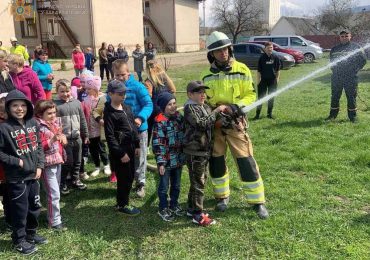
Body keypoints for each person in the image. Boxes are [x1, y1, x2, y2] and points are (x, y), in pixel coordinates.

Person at [200, 31, 268, 218]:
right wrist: (212, 113)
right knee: (216, 161)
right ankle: (221, 197)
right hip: (216, 125)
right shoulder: (205, 75)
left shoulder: (242, 69)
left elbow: (251, 95)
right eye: (218, 51)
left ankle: (257, 201)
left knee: (245, 159)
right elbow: (203, 100)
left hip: (235, 122)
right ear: (211, 54)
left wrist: (233, 108)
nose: (223, 53)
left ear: (229, 49)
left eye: (225, 49)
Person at [0, 90, 47, 255]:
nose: (19, 108)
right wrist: (17, 161)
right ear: (8, 108)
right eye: (14, 105)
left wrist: (40, 166)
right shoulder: (4, 128)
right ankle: (19, 240)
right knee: (20, 210)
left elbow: (39, 145)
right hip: (17, 177)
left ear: (28, 106)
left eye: (22, 105)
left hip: (34, 174)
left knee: (34, 206)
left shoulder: (33, 123)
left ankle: (31, 234)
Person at [183, 81, 229, 226]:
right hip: (194, 152)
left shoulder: (204, 106)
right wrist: (215, 112)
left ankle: (191, 208)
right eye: (199, 92)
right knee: (199, 183)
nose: (203, 95)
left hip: (204, 151)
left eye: (204, 92)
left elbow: (213, 119)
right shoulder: (190, 108)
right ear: (190, 94)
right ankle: (198, 215)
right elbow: (201, 124)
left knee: (197, 181)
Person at [112, 60, 153, 198]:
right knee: (124, 156)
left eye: (123, 74)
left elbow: (148, 104)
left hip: (139, 129)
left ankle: (140, 183)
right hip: (122, 131)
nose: (120, 78)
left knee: (139, 157)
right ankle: (126, 181)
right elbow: (109, 103)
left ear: (128, 72)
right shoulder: (113, 88)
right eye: (117, 75)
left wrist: (140, 118)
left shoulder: (138, 87)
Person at [104, 80, 141, 215]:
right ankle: (122, 205)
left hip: (131, 148)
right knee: (124, 178)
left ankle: (124, 200)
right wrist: (120, 154)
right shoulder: (110, 113)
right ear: (110, 94)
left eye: (124, 93)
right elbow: (110, 137)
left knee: (130, 176)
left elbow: (133, 128)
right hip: (121, 152)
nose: (123, 96)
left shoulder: (126, 108)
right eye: (119, 93)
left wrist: (137, 144)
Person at [34, 100, 67, 231]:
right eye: (49, 113)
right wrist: (53, 139)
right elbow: (39, 146)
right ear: (40, 114)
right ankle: (54, 221)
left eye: (54, 112)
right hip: (47, 163)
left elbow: (59, 138)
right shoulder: (39, 126)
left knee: (55, 191)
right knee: (53, 193)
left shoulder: (53, 123)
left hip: (57, 160)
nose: (53, 115)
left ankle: (54, 215)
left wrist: (62, 138)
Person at [152, 92, 185, 222]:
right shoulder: (160, 123)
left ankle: (174, 204)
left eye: (174, 103)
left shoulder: (179, 118)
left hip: (178, 159)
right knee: (164, 186)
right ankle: (163, 207)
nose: (173, 106)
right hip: (165, 161)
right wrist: (161, 162)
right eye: (169, 104)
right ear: (162, 107)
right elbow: (158, 143)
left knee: (176, 185)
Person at [54, 79, 88, 195]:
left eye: (67, 91)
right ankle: (62, 182)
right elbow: (54, 124)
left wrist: (86, 134)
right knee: (67, 162)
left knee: (78, 161)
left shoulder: (77, 103)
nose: (65, 94)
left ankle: (75, 179)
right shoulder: (55, 105)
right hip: (65, 140)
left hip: (77, 138)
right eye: (62, 91)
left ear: (71, 90)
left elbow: (82, 119)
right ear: (57, 92)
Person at [326, 29, 367, 123]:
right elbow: (331, 62)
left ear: (350, 36)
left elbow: (363, 60)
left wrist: (354, 70)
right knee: (335, 96)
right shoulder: (334, 49)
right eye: (342, 36)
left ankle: (353, 117)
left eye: (346, 36)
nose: (344, 38)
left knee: (351, 97)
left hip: (351, 77)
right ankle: (332, 115)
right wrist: (335, 70)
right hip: (337, 77)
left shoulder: (356, 47)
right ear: (340, 37)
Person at [82, 75, 111, 177]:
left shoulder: (103, 99)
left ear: (96, 88)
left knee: (101, 148)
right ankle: (97, 166)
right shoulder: (85, 100)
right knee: (93, 150)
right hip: (89, 130)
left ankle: (106, 165)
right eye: (86, 88)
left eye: (89, 88)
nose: (87, 90)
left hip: (99, 129)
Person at [144, 60, 176, 147]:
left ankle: (147, 147)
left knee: (149, 128)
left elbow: (148, 96)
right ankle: (169, 144)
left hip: (154, 109)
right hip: (166, 108)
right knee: (166, 128)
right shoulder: (165, 78)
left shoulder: (148, 81)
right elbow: (173, 90)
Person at [254, 41, 281, 120]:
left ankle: (269, 114)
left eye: (271, 47)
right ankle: (257, 115)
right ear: (265, 49)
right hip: (263, 81)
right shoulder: (262, 58)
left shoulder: (275, 57)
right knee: (260, 98)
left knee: (271, 98)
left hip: (272, 81)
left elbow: (278, 69)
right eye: (268, 48)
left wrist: (277, 79)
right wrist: (258, 81)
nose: (270, 49)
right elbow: (259, 71)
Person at [0, 94, 11, 231]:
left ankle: (10, 219)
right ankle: (9, 221)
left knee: (9, 197)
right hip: (4, 171)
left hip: (9, 170)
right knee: (7, 196)